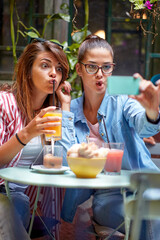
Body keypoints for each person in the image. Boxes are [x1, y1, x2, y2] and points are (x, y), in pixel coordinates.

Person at [60, 34, 160, 239]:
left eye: (106, 67)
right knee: (143, 215)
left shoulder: (123, 101)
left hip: (144, 185)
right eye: (91, 67)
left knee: (151, 211)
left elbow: (143, 126)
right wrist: (66, 108)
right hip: (108, 196)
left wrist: (152, 111)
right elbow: (65, 159)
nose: (100, 74)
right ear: (79, 69)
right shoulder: (72, 109)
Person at [0, 38, 71, 238]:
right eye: (45, 66)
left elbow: (65, 162)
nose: (53, 74)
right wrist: (26, 134)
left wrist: (65, 106)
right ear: (28, 71)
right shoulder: (4, 103)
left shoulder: (52, 115)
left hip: (20, 199)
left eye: (58, 69)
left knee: (17, 204)